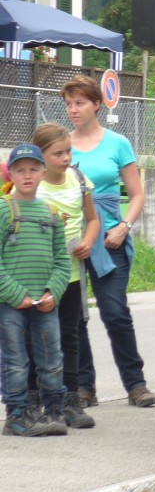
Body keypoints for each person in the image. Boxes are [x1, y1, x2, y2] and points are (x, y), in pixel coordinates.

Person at [62, 75, 155, 408]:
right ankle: (84, 386)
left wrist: (124, 227)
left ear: (96, 105)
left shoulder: (118, 143)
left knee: (114, 312)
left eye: (80, 103)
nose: (73, 110)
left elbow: (136, 195)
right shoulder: (63, 145)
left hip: (110, 238)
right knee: (74, 317)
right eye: (69, 104)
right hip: (72, 237)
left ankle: (136, 384)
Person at [0, 144, 70, 436]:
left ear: (43, 172)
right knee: (15, 361)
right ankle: (16, 415)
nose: (27, 175)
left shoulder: (51, 213)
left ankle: (54, 410)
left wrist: (52, 293)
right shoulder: (4, 210)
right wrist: (17, 295)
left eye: (33, 169)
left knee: (52, 359)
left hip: (45, 303)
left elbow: (63, 262)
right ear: (11, 174)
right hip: (10, 304)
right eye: (20, 169)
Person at [32, 122, 99, 428]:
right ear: (40, 155)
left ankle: (72, 401)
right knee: (36, 339)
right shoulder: (32, 185)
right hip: (38, 278)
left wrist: (87, 241)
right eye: (57, 153)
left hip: (71, 275)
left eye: (68, 151)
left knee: (69, 337)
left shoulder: (79, 180)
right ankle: (36, 403)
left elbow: (93, 220)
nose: (65, 157)